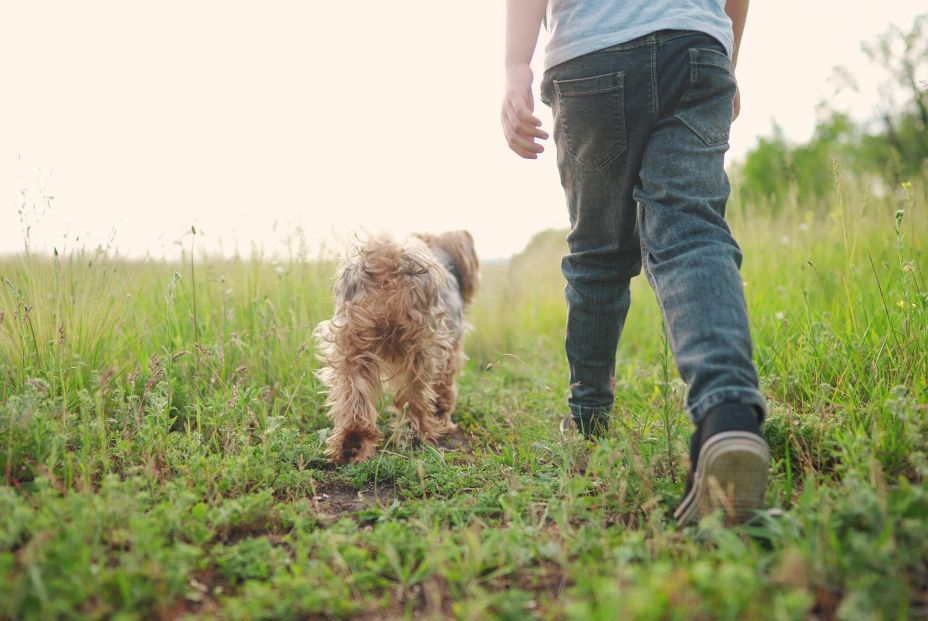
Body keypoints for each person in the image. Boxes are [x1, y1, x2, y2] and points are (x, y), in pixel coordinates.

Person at [501, 0, 769, 526]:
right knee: (693, 233)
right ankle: (727, 413)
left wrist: (516, 64)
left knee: (598, 253)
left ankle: (589, 421)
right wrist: (727, 57)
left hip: (593, 53)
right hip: (696, 44)